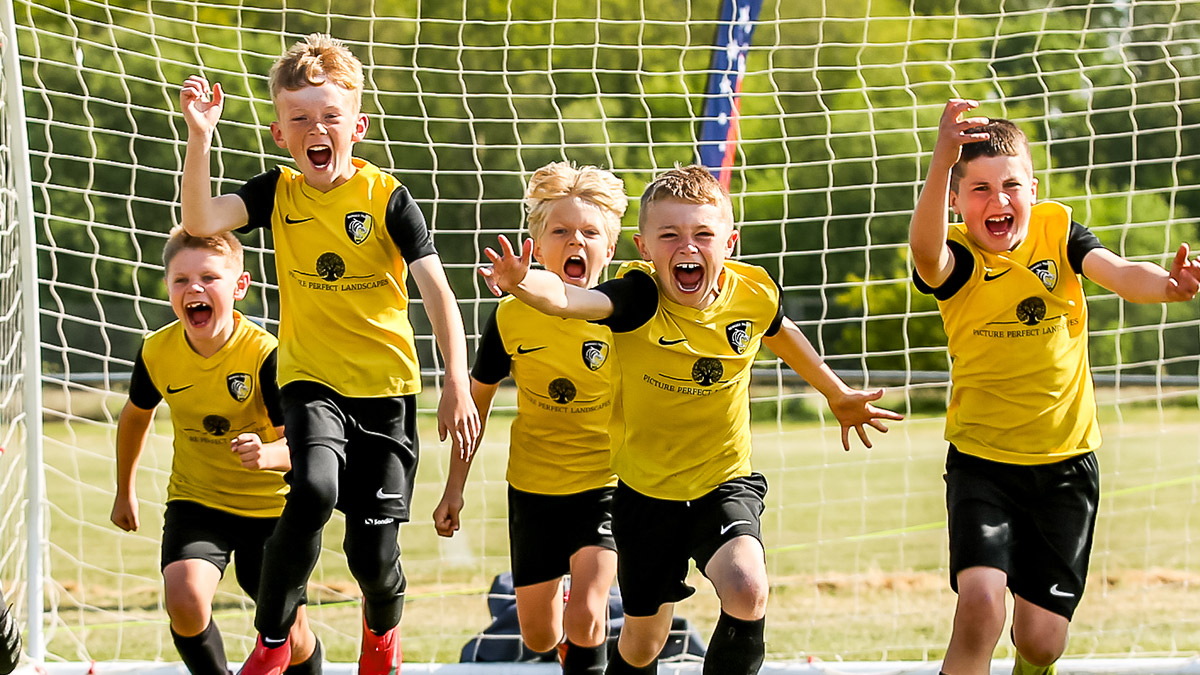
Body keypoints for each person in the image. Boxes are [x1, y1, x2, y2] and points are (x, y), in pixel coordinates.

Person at [481, 164, 902, 675]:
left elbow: (779, 329)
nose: (688, 247)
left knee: (747, 588)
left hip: (723, 481)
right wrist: (523, 281)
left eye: (703, 234)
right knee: (640, 644)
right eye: (670, 235)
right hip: (644, 495)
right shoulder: (637, 299)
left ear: (730, 241)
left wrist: (836, 393)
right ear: (644, 249)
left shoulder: (753, 292)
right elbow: (571, 300)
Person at [178, 33, 480, 675]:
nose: (316, 129)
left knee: (372, 558)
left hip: (388, 394)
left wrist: (454, 378)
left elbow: (439, 295)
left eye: (329, 118)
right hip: (312, 384)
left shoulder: (387, 199)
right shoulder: (276, 192)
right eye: (300, 119)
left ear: (357, 127)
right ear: (281, 134)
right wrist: (200, 133)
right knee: (312, 489)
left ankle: (381, 636)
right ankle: (273, 639)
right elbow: (201, 219)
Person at [909, 99, 1200, 675]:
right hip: (982, 463)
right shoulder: (958, 259)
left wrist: (1166, 287)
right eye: (979, 189)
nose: (998, 201)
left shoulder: (1058, 231)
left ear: (1033, 190)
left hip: (1066, 466)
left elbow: (1117, 271)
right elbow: (925, 250)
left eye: (1011, 186)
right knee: (982, 605)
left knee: (1041, 641)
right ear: (955, 200)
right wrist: (940, 160)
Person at [434, 162, 626, 674]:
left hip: (604, 484)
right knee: (540, 635)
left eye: (589, 232)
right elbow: (475, 407)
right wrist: (455, 488)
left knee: (589, 614)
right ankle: (565, 639)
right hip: (534, 487)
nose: (575, 242)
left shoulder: (626, 313)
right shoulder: (510, 316)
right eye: (560, 231)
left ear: (609, 247)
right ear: (537, 248)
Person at [110, 226, 320, 675]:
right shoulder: (156, 351)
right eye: (181, 280)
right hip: (198, 501)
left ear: (240, 286)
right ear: (168, 288)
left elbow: (301, 445)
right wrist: (124, 490)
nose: (194, 289)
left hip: (271, 510)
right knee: (183, 597)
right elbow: (134, 416)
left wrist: (268, 454)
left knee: (293, 637)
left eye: (209, 278)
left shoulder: (267, 355)